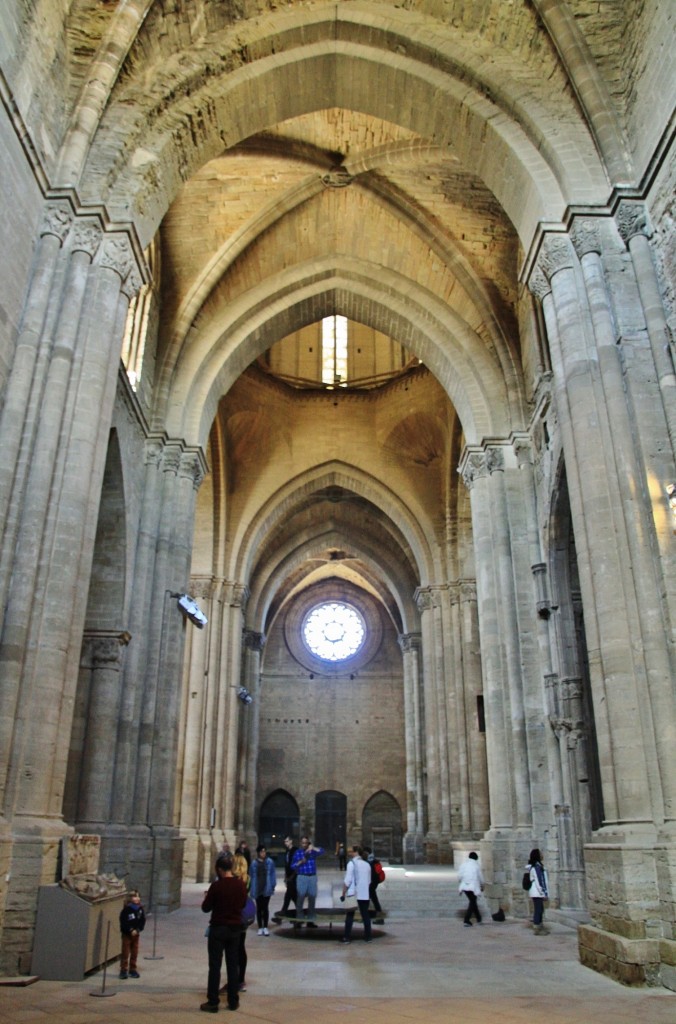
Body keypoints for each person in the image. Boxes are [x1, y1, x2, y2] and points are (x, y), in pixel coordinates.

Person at [201, 852, 247, 1013]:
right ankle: (233, 1001)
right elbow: (242, 904)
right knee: (232, 966)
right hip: (235, 929)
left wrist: (208, 897)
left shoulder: (217, 886)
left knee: (215, 966)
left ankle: (213, 1002)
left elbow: (205, 908)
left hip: (218, 928)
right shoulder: (240, 885)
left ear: (220, 869)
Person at [339, 846, 372, 944]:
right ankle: (368, 936)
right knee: (365, 915)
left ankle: (347, 937)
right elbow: (369, 881)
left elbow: (348, 880)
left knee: (350, 915)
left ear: (356, 852)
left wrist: (343, 892)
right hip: (364, 893)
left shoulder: (351, 863)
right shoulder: (367, 864)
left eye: (351, 851)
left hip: (354, 893)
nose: (349, 853)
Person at [290, 836, 324, 924]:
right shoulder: (298, 853)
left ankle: (311, 918)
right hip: (302, 876)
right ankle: (300, 918)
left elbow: (322, 851)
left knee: (312, 897)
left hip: (312, 876)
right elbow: (293, 866)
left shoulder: (312, 852)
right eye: (303, 843)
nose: (304, 844)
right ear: (301, 843)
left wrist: (313, 848)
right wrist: (301, 862)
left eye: (306, 843)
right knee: (300, 897)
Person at [231, 853, 251, 994]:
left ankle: (234, 980)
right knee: (241, 948)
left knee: (232, 950)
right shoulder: (247, 879)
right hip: (243, 917)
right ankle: (241, 979)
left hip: (233, 917)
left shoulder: (232, 880)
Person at [250, 844, 277, 935]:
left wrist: (273, 885)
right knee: (259, 908)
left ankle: (265, 927)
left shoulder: (270, 862)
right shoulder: (254, 863)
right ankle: (260, 927)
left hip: (267, 887)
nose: (263, 853)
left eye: (264, 851)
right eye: (261, 851)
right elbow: (251, 875)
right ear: (258, 853)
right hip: (257, 888)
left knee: (265, 908)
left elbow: (273, 874)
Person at [119, 889, 146, 979]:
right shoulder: (126, 909)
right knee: (125, 952)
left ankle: (133, 969)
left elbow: (142, 921)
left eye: (138, 896)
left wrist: (138, 930)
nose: (137, 898)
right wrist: (130, 930)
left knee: (134, 952)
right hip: (127, 934)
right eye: (135, 896)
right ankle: (123, 970)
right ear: (130, 898)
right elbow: (123, 922)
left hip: (136, 935)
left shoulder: (140, 909)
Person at [457, 851, 484, 926]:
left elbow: (459, 875)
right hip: (473, 886)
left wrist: (462, 881)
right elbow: (480, 877)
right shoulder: (476, 865)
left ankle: (479, 919)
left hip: (464, 886)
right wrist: (482, 885)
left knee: (473, 901)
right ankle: (466, 920)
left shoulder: (463, 864)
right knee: (472, 902)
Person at [526, 848, 550, 935]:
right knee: (538, 910)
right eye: (540, 853)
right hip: (537, 892)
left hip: (537, 892)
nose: (542, 855)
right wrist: (543, 892)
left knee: (540, 909)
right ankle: (537, 927)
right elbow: (539, 881)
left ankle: (539, 926)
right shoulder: (536, 867)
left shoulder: (538, 866)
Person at [275, 836, 298, 919]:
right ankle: (300, 915)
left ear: (291, 841)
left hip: (293, 878)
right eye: (285, 842)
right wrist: (286, 877)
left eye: (287, 841)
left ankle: (281, 916)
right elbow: (286, 865)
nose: (286, 843)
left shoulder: (295, 850)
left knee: (288, 897)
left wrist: (292, 876)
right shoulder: (287, 851)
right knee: (293, 897)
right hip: (289, 878)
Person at [363, 846, 383, 914]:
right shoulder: (373, 859)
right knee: (371, 896)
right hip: (375, 881)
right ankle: (375, 912)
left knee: (371, 896)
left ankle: (375, 912)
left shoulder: (368, 860)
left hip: (372, 881)